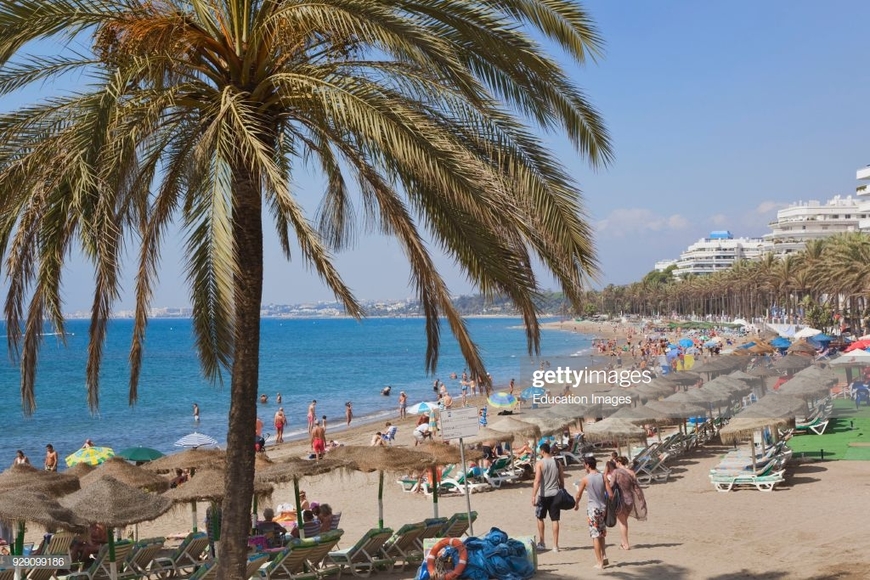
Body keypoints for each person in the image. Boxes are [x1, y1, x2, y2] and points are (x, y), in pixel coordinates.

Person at [574, 456, 612, 569]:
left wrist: (576, 504)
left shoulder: (585, 479)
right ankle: (604, 555)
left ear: (587, 465)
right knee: (601, 533)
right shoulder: (602, 476)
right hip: (603, 508)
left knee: (595, 535)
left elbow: (578, 494)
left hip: (593, 509)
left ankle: (599, 562)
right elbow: (610, 494)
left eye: (584, 464)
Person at [531, 443, 564, 553]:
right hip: (555, 494)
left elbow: (537, 480)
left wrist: (533, 495)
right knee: (555, 519)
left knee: (540, 517)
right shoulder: (557, 463)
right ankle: (555, 545)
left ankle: (542, 542)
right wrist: (562, 491)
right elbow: (561, 480)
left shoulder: (540, 463)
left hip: (544, 494)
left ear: (542, 451)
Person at [611, 457, 647, 550]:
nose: (615, 464)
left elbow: (611, 485)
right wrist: (641, 500)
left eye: (616, 462)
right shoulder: (631, 472)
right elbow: (636, 488)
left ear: (619, 462)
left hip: (620, 499)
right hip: (630, 498)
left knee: (622, 523)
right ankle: (623, 542)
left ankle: (626, 544)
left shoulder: (616, 472)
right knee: (624, 521)